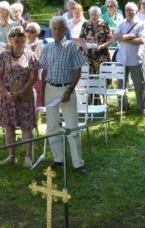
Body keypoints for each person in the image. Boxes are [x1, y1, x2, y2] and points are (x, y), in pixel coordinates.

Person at [40, 16, 87, 174]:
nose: (57, 31)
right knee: (52, 127)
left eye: (60, 28)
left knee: (72, 126)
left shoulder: (72, 47)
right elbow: (44, 69)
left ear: (65, 29)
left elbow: (77, 70)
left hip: (66, 88)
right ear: (51, 30)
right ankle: (58, 159)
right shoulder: (47, 47)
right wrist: (43, 89)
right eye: (54, 28)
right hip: (50, 88)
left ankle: (78, 162)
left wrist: (70, 89)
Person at [0, 26, 39, 168]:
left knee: (26, 127)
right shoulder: (4, 55)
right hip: (7, 97)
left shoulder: (30, 55)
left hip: (24, 95)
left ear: (24, 37)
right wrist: (5, 92)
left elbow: (34, 77)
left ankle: (28, 156)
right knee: (9, 126)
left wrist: (21, 92)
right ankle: (11, 156)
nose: (16, 38)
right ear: (9, 39)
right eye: (13, 35)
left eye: (19, 35)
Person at [114, 2, 145, 114]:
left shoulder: (141, 24)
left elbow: (141, 40)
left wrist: (123, 38)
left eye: (131, 10)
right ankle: (122, 106)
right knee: (121, 84)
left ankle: (141, 107)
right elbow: (115, 37)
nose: (129, 12)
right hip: (121, 59)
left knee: (139, 85)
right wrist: (130, 36)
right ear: (124, 11)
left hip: (135, 59)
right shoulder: (121, 23)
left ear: (136, 11)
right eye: (127, 10)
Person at [78, 6, 112, 75]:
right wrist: (84, 46)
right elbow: (80, 39)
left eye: (96, 14)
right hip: (88, 56)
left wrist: (102, 46)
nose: (94, 16)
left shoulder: (104, 24)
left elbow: (111, 39)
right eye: (92, 14)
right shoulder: (85, 24)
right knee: (88, 78)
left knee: (103, 78)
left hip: (102, 55)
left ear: (99, 15)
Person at [25, 22, 45, 107]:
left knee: (36, 101)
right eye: (27, 31)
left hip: (36, 75)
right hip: (25, 75)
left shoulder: (40, 45)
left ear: (37, 33)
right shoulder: (23, 44)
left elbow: (41, 63)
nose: (29, 33)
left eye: (32, 32)